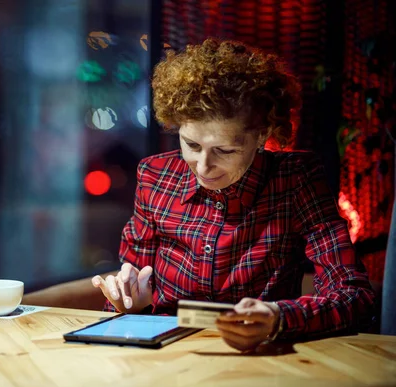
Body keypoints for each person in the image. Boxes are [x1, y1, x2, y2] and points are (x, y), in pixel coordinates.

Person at [91, 38, 376, 351]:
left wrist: (279, 318)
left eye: (225, 150)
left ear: (262, 135)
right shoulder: (156, 175)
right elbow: (132, 290)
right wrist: (130, 302)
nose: (203, 167)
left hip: (261, 358)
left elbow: (354, 296)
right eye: (192, 145)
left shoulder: (295, 179)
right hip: (165, 356)